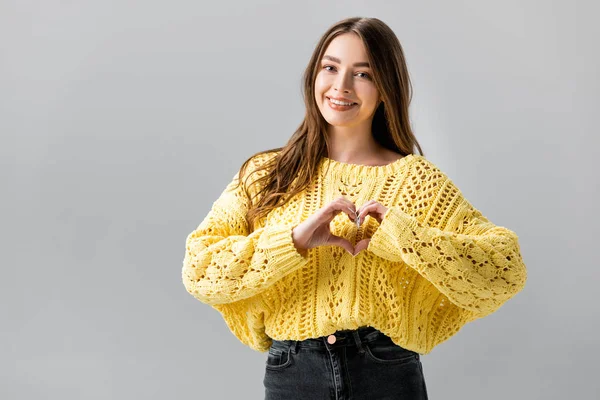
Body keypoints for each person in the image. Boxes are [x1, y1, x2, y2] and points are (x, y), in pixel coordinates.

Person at [181, 16, 527, 400]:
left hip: (384, 370)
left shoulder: (416, 180)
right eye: (330, 67)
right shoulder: (265, 174)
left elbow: (504, 269)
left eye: (362, 74)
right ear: (314, 74)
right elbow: (199, 269)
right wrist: (293, 242)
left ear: (385, 89)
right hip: (293, 373)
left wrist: (403, 236)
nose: (341, 86)